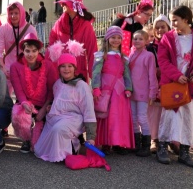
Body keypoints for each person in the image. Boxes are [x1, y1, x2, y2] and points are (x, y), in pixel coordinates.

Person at [156, 5, 193, 168]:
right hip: (173, 84)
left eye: (175, 20)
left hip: (190, 86)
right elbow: (163, 60)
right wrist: (177, 75)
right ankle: (162, 148)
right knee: (169, 115)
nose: (172, 24)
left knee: (189, 117)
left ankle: (185, 152)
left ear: (186, 20)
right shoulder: (167, 38)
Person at [34, 53, 97, 162]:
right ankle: (63, 148)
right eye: (63, 66)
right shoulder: (57, 83)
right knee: (39, 149)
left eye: (70, 66)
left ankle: (70, 150)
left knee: (58, 130)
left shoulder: (82, 86)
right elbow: (58, 99)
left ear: (74, 68)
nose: (66, 69)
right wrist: (51, 106)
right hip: (56, 117)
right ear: (59, 68)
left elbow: (89, 111)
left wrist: (91, 137)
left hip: (74, 119)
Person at [10, 33, 58, 153]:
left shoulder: (48, 65)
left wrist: (43, 109)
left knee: (37, 146)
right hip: (26, 103)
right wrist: (25, 103)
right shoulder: (15, 66)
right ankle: (25, 138)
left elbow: (52, 89)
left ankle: (38, 133)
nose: (31, 54)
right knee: (17, 113)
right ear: (23, 51)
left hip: (44, 104)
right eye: (27, 51)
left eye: (34, 51)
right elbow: (18, 90)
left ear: (39, 51)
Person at [92, 26, 134, 155]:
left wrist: (128, 88)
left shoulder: (124, 57)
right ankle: (105, 142)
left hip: (120, 92)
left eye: (119, 37)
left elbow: (127, 74)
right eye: (113, 37)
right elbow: (96, 73)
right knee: (106, 116)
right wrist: (96, 88)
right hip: (106, 90)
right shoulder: (101, 55)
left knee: (119, 117)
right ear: (107, 39)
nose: (116, 40)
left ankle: (118, 142)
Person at [49, 0, 98, 81]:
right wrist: (50, 74)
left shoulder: (86, 26)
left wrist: (95, 81)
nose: (62, 5)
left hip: (79, 74)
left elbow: (92, 52)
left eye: (65, 3)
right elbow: (51, 50)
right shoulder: (58, 24)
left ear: (74, 5)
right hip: (61, 74)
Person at [0, 2, 37, 94]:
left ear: (21, 13)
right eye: (11, 13)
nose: (13, 16)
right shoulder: (3, 28)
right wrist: (3, 68)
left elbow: (34, 52)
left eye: (16, 13)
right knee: (4, 97)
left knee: (25, 96)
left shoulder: (30, 29)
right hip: (7, 67)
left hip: (25, 66)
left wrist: (29, 68)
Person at [128, 30, 158, 157]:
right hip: (131, 92)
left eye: (140, 39)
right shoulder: (131, 54)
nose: (137, 41)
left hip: (143, 92)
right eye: (135, 38)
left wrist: (153, 92)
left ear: (146, 41)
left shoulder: (149, 56)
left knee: (142, 117)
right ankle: (136, 144)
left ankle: (146, 145)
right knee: (133, 118)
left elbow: (152, 75)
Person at [146, 14, 171, 153]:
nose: (160, 30)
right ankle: (154, 139)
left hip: (170, 83)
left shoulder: (174, 45)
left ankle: (169, 139)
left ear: (169, 27)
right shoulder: (149, 47)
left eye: (163, 27)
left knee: (169, 112)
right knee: (154, 112)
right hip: (155, 84)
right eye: (157, 27)